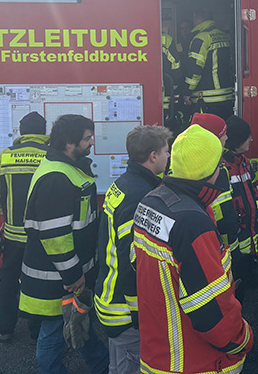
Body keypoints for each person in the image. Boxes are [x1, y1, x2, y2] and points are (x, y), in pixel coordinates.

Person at [132, 125, 253, 374]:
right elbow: (209, 312)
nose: (222, 171)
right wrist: (243, 338)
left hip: (158, 354)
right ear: (209, 170)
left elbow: (137, 266)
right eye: (219, 166)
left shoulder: (152, 200)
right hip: (193, 363)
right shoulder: (191, 221)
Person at [20, 114, 109, 374]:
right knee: (53, 334)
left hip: (68, 275)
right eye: (86, 138)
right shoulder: (57, 178)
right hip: (59, 279)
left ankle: (102, 365)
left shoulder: (66, 168)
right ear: (69, 143)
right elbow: (55, 235)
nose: (91, 142)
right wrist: (73, 275)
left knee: (79, 323)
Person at [94, 125, 171, 374]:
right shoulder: (140, 196)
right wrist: (140, 314)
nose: (168, 157)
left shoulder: (125, 183)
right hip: (124, 310)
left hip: (109, 294)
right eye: (166, 151)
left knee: (118, 365)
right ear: (153, 156)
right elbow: (133, 263)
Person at [0, 111, 49, 343]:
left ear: (20, 131)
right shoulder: (51, 156)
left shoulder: (5, 156)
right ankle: (36, 333)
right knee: (37, 283)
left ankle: (5, 329)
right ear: (44, 131)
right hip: (41, 237)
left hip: (12, 236)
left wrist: (8, 214)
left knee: (9, 281)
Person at [224, 116, 258, 303]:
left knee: (243, 289)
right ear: (237, 141)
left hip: (250, 238)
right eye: (247, 137)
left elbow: (253, 190)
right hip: (233, 244)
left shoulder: (244, 162)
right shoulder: (223, 168)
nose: (251, 140)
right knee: (232, 293)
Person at [191, 113, 240, 258]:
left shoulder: (218, 169)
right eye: (223, 134)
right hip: (215, 247)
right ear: (211, 139)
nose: (226, 138)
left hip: (224, 245)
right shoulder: (213, 173)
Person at [183, 7, 234, 119]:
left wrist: (187, 91)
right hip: (227, 95)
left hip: (208, 98)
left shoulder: (201, 38)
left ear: (197, 21)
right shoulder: (224, 36)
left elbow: (195, 68)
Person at [161, 32, 186, 130]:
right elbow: (175, 65)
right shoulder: (166, 39)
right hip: (164, 93)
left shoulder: (128, 34)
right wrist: (174, 86)